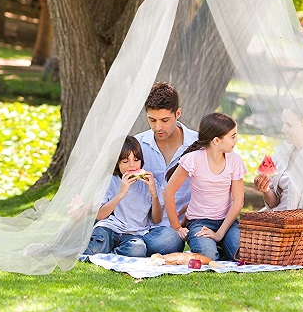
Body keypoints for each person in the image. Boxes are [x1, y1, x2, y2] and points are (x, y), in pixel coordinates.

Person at [163, 112, 246, 261]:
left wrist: (219, 234)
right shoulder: (193, 159)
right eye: (232, 136)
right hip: (199, 221)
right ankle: (213, 246)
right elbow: (168, 192)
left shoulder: (235, 160)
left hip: (227, 221)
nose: (236, 140)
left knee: (242, 256)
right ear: (216, 140)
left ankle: (218, 242)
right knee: (207, 257)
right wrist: (177, 227)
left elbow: (238, 201)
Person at [135, 82, 198, 255]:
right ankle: (131, 244)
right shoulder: (138, 144)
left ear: (178, 113)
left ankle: (132, 246)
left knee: (169, 242)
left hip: (177, 226)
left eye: (164, 120)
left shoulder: (197, 144)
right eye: (152, 120)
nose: (158, 127)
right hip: (141, 224)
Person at [83, 136, 163, 257]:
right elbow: (100, 215)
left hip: (134, 234)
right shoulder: (109, 181)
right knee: (94, 249)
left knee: (138, 249)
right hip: (110, 229)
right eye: (125, 161)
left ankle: (110, 254)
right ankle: (102, 250)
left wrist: (154, 193)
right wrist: (121, 193)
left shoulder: (150, 182)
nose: (132, 165)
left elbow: (157, 219)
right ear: (116, 163)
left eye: (136, 160)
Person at [253, 101, 303, 212]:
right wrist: (266, 190)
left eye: (289, 125)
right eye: (283, 123)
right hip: (275, 217)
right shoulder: (283, 149)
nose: (283, 129)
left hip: (296, 225)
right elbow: (274, 203)